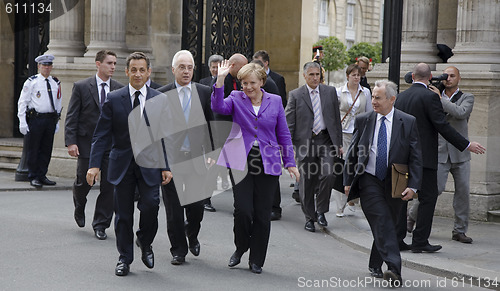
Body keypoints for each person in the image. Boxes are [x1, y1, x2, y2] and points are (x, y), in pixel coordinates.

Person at [86, 52, 172, 276]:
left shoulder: (159, 99)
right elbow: (101, 135)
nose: (138, 74)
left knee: (151, 206)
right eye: (133, 70)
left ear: (148, 72)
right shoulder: (114, 99)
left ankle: (145, 241)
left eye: (142, 70)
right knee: (123, 215)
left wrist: (167, 165)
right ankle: (124, 258)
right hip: (121, 164)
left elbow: (165, 136)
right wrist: (94, 165)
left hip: (151, 164)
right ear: (127, 72)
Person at [212, 61, 299, 274]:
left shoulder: (276, 101)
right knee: (243, 210)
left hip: (267, 162)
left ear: (261, 82)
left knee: (262, 214)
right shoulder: (235, 98)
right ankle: (241, 247)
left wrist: (290, 163)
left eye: (251, 83)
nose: (247, 87)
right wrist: (220, 80)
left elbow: (284, 134)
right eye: (243, 83)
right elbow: (217, 107)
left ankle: (256, 259)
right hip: (240, 159)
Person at [395, 63, 485, 253]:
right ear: (430, 77)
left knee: (401, 197)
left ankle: (398, 239)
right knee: (428, 197)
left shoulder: (401, 97)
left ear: (412, 76)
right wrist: (466, 144)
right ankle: (420, 241)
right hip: (426, 157)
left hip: (403, 156)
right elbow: (441, 126)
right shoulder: (430, 97)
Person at [344, 80, 422, 287]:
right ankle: (394, 268)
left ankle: (375, 262)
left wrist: (413, 186)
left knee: (390, 224)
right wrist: (347, 181)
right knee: (382, 219)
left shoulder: (408, 121)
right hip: (369, 179)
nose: (374, 102)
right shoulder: (364, 120)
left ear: (392, 99)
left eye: (378, 98)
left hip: (396, 181)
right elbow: (352, 153)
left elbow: (415, 156)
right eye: (372, 97)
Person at [157, 50, 214, 265]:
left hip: (196, 159)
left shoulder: (204, 92)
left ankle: (192, 233)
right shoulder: (161, 94)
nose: (187, 71)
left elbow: (212, 124)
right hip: (171, 161)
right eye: (182, 67)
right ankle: (178, 250)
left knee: (197, 205)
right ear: (173, 70)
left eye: (190, 67)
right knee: (173, 209)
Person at [65, 50, 123, 240]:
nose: (113, 67)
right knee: (84, 181)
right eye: (109, 63)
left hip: (110, 146)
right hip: (86, 144)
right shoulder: (82, 87)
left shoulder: (119, 89)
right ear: (98, 64)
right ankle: (79, 203)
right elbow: (72, 116)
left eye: (115, 63)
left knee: (109, 186)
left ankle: (100, 224)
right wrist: (71, 142)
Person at [285, 61, 343, 232]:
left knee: (329, 174)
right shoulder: (295, 95)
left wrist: (338, 143)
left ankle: (321, 211)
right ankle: (309, 217)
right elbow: (289, 124)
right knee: (306, 182)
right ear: (305, 76)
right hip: (305, 143)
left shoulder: (330, 92)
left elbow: (335, 119)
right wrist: (289, 148)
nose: (315, 78)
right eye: (311, 75)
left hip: (325, 140)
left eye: (317, 74)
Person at [430, 66, 475, 243]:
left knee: (463, 192)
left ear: (459, 78)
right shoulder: (433, 96)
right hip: (440, 151)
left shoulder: (467, 97)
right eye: (446, 76)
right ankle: (412, 218)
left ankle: (460, 230)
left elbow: (461, 112)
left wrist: (439, 99)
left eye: (452, 76)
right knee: (434, 189)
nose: (448, 79)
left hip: (460, 153)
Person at [17, 54, 62, 188]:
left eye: (49, 66)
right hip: (36, 119)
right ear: (39, 66)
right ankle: (33, 176)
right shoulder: (32, 82)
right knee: (34, 149)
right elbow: (22, 102)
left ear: (51, 67)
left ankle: (42, 175)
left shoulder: (55, 82)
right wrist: (22, 121)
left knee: (46, 149)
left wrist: (57, 121)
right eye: (44, 66)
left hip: (50, 119)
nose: (46, 68)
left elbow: (58, 102)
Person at [252, 50, 287, 220]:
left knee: (272, 174)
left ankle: (275, 207)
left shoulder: (273, 83)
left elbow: (279, 110)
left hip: (269, 137)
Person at [334, 64, 372, 217]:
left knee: (356, 166)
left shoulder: (366, 92)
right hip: (343, 133)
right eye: (354, 75)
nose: (357, 77)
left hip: (359, 134)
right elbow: (335, 114)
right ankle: (339, 206)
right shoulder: (339, 92)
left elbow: (369, 113)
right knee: (341, 167)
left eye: (359, 75)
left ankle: (352, 200)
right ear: (348, 76)